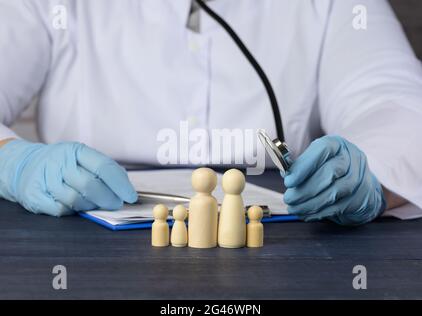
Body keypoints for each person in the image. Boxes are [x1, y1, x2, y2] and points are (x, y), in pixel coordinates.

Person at [0, 0, 421, 226]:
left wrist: (373, 177)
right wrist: (15, 163)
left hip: (287, 245)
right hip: (79, 238)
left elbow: (398, 104)